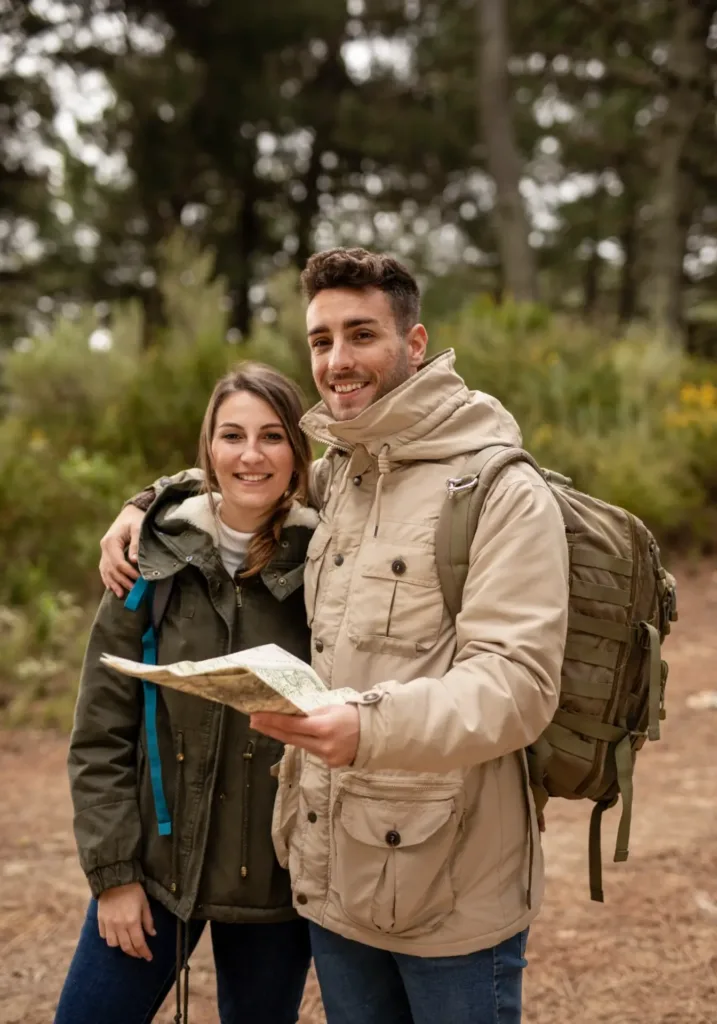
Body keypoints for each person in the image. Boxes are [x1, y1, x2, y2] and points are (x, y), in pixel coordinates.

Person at [99, 248, 570, 1024]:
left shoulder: (498, 491)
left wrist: (364, 726)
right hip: (333, 879)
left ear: (414, 344)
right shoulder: (345, 474)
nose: (337, 361)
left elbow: (517, 687)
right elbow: (248, 477)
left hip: (450, 884)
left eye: (361, 335)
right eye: (321, 341)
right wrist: (146, 501)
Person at [56, 363, 317, 1024]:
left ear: (298, 452)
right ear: (208, 450)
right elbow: (100, 732)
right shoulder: (152, 556)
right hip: (152, 871)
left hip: (273, 887)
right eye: (231, 436)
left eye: (272, 437)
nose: (251, 455)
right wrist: (113, 875)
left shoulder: (331, 563)